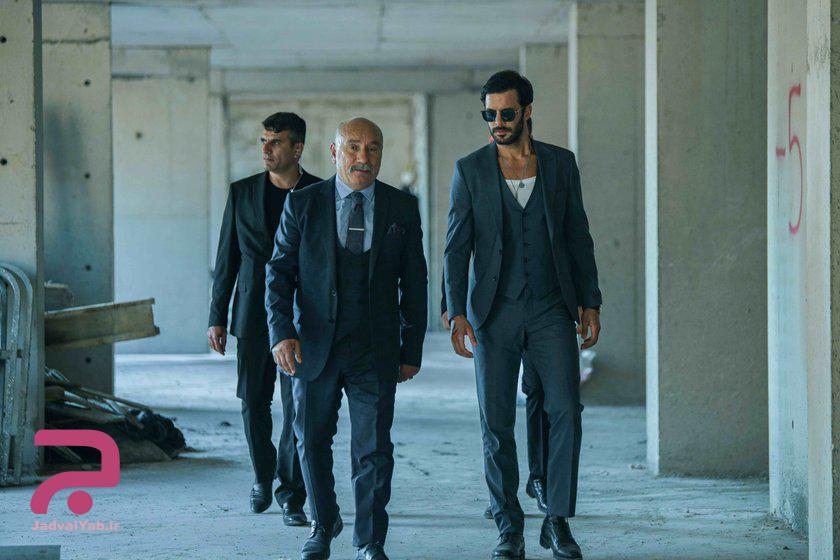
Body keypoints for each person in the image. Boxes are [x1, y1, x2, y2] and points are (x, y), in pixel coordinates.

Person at [444, 70, 602, 560]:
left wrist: (591, 301)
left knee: (566, 409)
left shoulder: (559, 164)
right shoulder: (470, 170)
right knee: (496, 422)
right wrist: (455, 311)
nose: (497, 121)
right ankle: (508, 526)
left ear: (527, 111)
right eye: (489, 114)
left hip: (552, 307)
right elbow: (456, 248)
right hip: (494, 313)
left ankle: (557, 520)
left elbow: (577, 234)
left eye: (506, 112)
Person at [265, 117, 428, 560]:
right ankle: (323, 523)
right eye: (353, 147)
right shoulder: (303, 204)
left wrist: (411, 348)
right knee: (311, 439)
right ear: (335, 153)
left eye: (373, 148)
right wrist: (282, 333)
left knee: (374, 447)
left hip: (375, 348)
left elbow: (415, 282)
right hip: (314, 346)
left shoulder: (401, 207)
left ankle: (370, 540)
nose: (363, 157)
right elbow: (278, 274)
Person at [207, 112, 320, 525]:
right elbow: (227, 258)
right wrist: (217, 316)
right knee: (253, 401)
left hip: (302, 316)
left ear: (297, 148)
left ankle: (292, 494)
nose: (266, 149)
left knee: (296, 407)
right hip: (252, 312)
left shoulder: (320, 192)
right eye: (263, 141)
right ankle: (262, 476)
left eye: (276, 142)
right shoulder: (242, 193)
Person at [440, 279, 549, 519]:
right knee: (496, 404)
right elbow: (456, 257)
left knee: (539, 389)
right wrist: (451, 304)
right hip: (491, 307)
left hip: (539, 306)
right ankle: (503, 495)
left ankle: (540, 478)